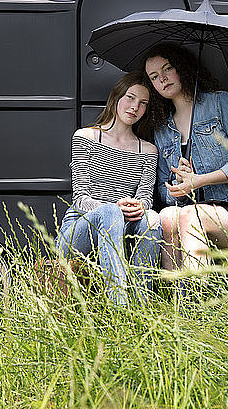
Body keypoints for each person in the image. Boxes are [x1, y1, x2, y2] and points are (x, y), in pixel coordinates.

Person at [143, 43, 228, 272]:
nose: (162, 79)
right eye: (154, 77)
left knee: (190, 218)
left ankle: (196, 302)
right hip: (199, 213)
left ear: (182, 68)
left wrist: (201, 179)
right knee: (167, 216)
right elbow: (165, 192)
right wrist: (179, 185)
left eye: (168, 69)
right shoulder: (162, 129)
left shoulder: (220, 103)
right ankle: (179, 300)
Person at [55, 71, 162, 305]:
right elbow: (81, 198)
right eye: (130, 97)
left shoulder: (148, 150)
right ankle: (119, 307)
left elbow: (145, 199)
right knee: (110, 212)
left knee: (152, 219)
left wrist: (137, 206)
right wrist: (116, 207)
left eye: (143, 103)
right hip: (77, 231)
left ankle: (141, 306)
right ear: (116, 97)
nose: (135, 107)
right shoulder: (86, 137)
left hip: (124, 226)